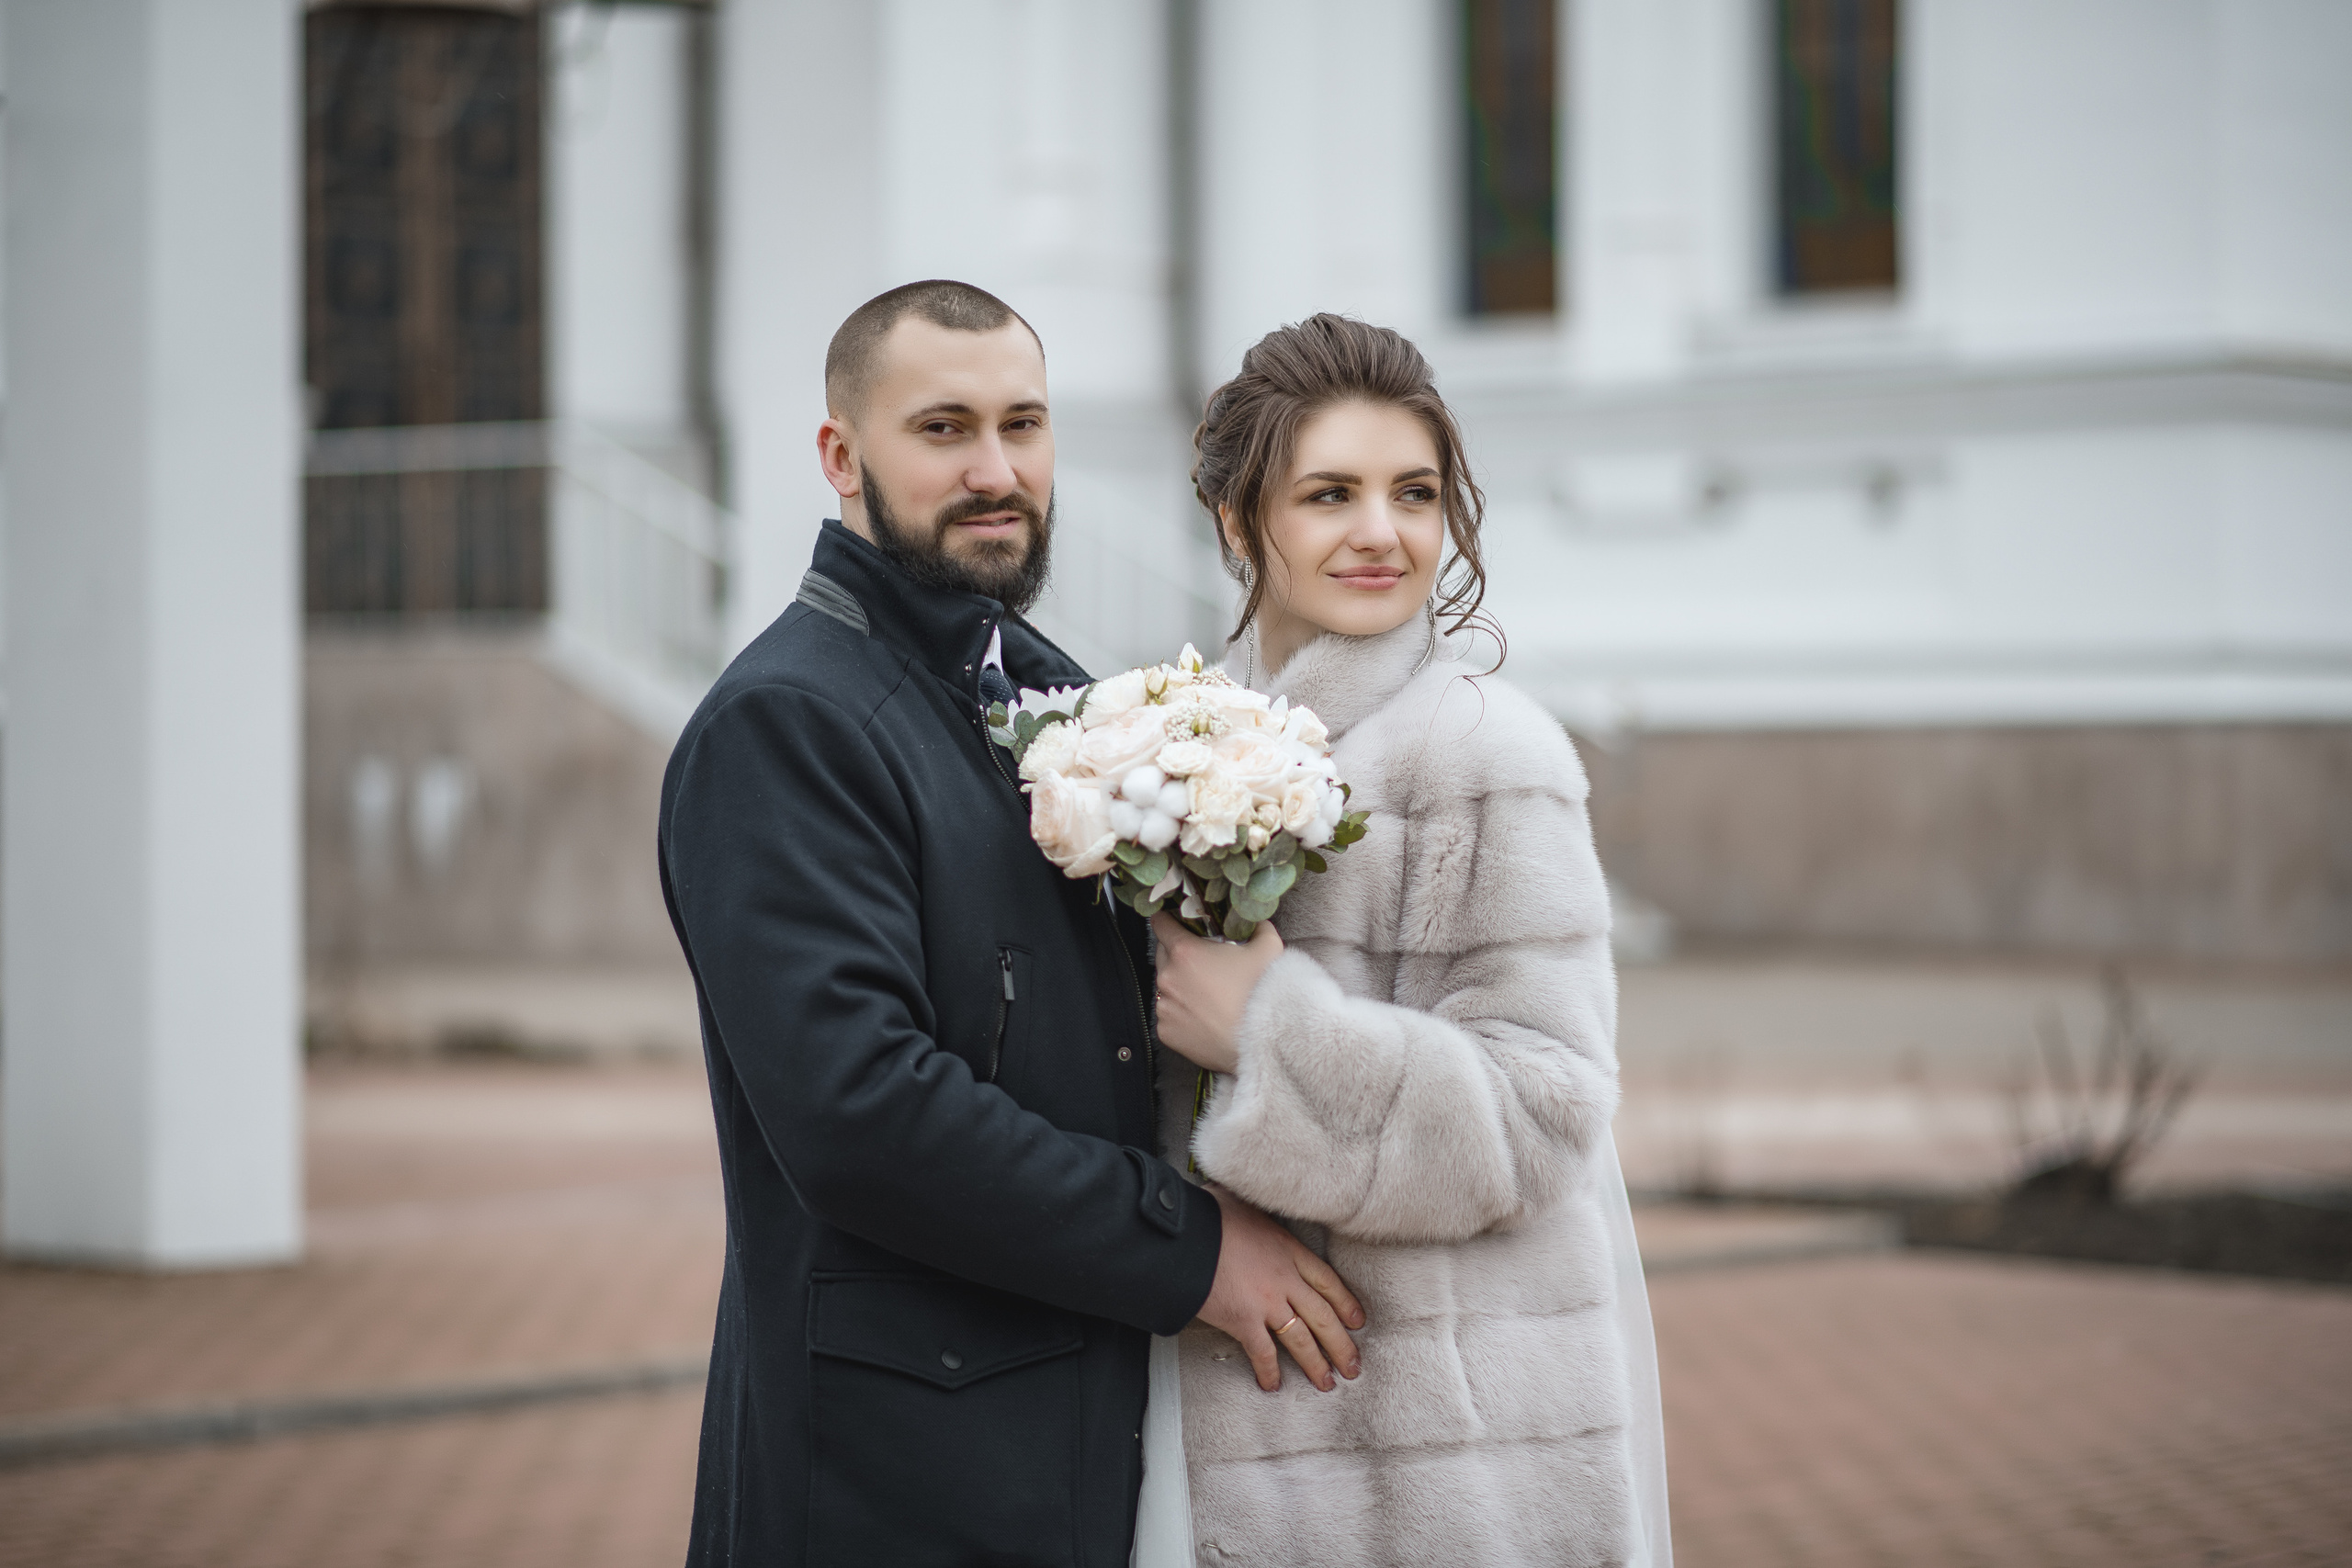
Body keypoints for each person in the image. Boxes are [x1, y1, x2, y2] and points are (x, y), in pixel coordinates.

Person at [657, 281, 1364, 1568]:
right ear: (842, 456)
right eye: (942, 430)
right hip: (895, 1482)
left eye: (1024, 425)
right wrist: (1190, 1249)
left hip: (1076, 1437)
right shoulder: (785, 725)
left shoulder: (1058, 693)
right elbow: (862, 1116)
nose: (997, 472)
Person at [1147, 314, 1672, 1567]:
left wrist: (1271, 1035)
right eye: (1330, 493)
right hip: (1256, 1410)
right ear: (1238, 520)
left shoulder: (1488, 755)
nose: (1382, 532)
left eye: (1415, 493)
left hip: (1445, 1445)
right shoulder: (1182, 749)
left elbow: (1547, 1113)